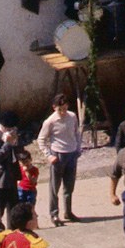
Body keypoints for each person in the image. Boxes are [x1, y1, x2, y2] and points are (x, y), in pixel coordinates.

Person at [37, 93, 81, 227]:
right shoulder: (50, 121)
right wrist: (49, 155)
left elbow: (76, 133)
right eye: (59, 109)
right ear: (54, 107)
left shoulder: (72, 116)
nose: (62, 112)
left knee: (69, 186)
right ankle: (54, 214)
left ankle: (68, 211)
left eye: (64, 109)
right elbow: (41, 139)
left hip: (71, 153)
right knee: (54, 187)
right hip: (58, 155)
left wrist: (78, 148)